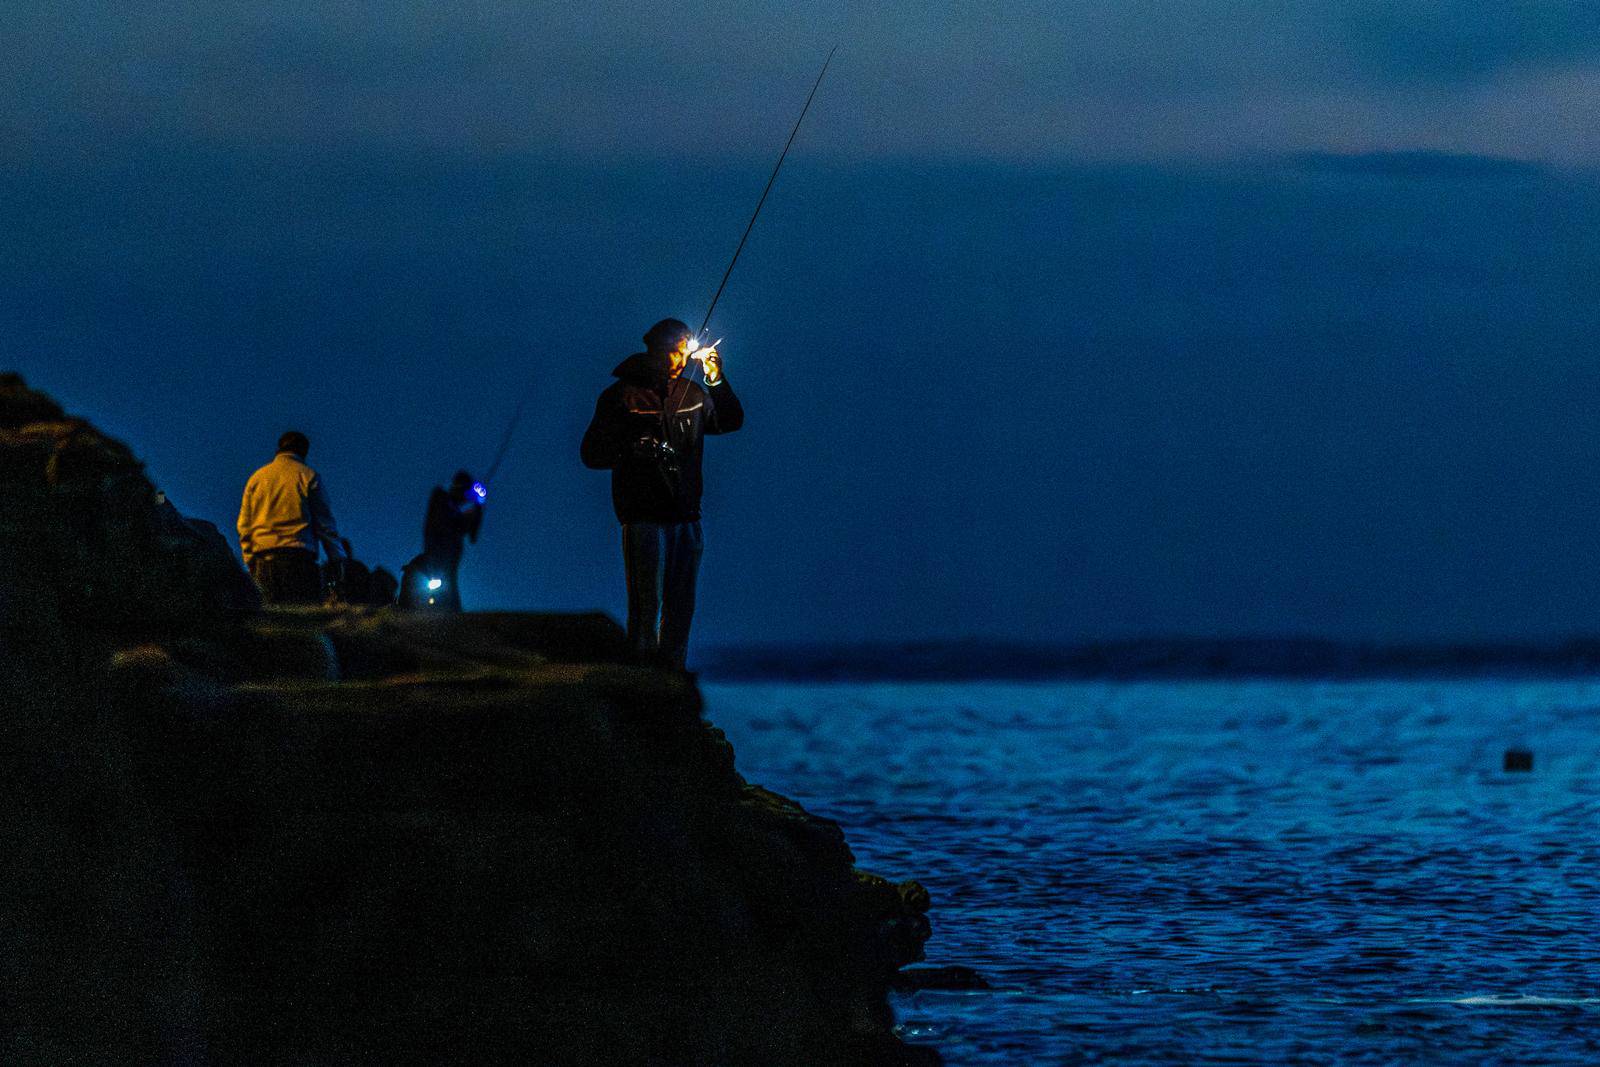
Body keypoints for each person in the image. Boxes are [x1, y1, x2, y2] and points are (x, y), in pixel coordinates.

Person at [581, 318, 744, 669]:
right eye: (674, 352)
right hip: (643, 517)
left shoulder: (695, 393)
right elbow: (591, 454)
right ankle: (641, 675)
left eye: (685, 351)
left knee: (681, 602)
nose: (682, 359)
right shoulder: (621, 396)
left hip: (687, 515)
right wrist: (631, 447)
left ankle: (672, 675)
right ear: (654, 351)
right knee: (646, 602)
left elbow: (731, 421)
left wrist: (716, 378)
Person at [236, 430, 346, 605]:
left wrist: (249, 559)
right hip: (299, 561)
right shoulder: (308, 476)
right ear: (304, 451)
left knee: (268, 621)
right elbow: (325, 525)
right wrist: (337, 558)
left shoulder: (256, 479)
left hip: (264, 561)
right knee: (302, 621)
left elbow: (244, 526)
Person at [399, 471, 484, 612]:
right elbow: (443, 524)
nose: (464, 498)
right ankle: (439, 611)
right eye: (464, 492)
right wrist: (471, 510)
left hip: (448, 555)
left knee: (448, 583)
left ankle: (448, 612)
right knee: (439, 583)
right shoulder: (440, 498)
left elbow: (472, 536)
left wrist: (478, 506)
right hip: (437, 552)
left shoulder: (454, 510)